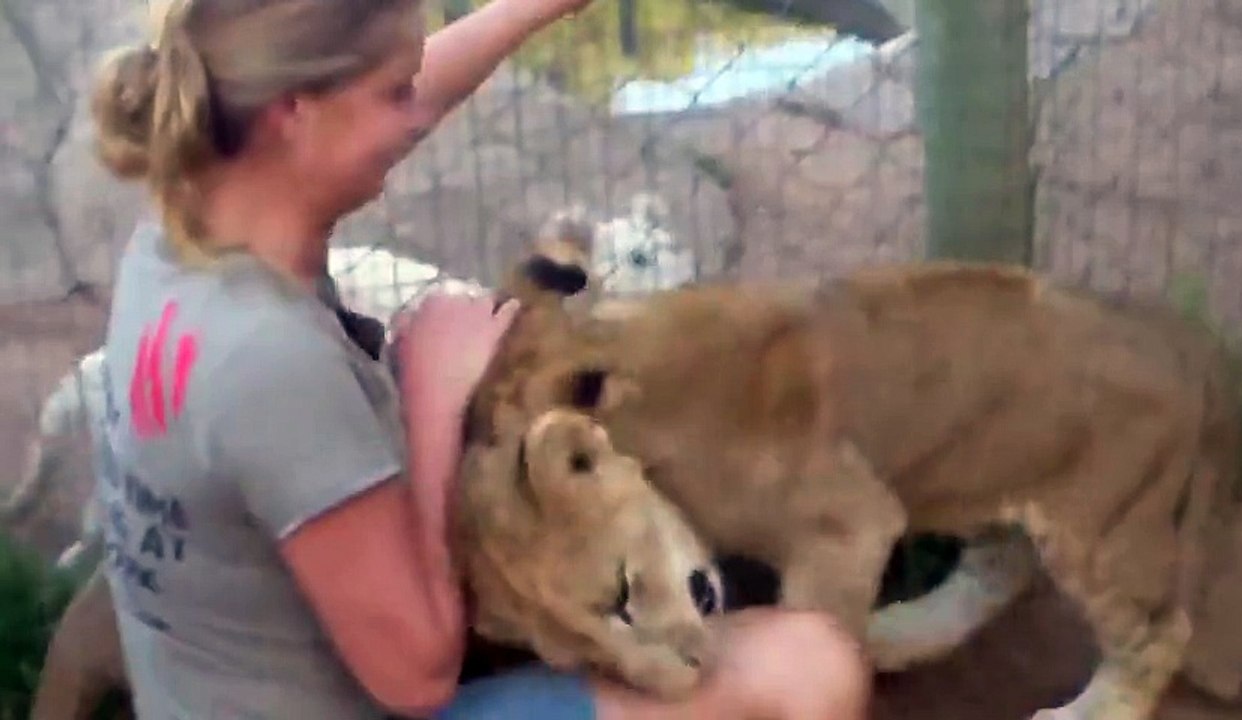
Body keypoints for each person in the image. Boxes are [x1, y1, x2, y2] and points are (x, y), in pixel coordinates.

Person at [85, 0, 872, 718]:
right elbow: (417, 676)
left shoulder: (183, 231)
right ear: (292, 111)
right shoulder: (271, 362)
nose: (412, 122)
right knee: (807, 668)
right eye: (394, 96)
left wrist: (528, 11)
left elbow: (385, 95)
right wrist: (435, 392)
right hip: (376, 693)